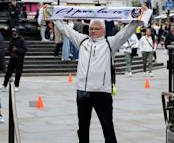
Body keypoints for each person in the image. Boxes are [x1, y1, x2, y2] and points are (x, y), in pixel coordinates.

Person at [53, 15, 142, 143]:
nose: (92, 31)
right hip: (83, 91)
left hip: (102, 92)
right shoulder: (82, 41)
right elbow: (66, 30)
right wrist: (53, 15)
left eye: (96, 29)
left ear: (103, 31)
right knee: (83, 127)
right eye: (90, 28)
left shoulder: (110, 43)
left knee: (107, 127)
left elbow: (126, 32)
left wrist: (140, 17)